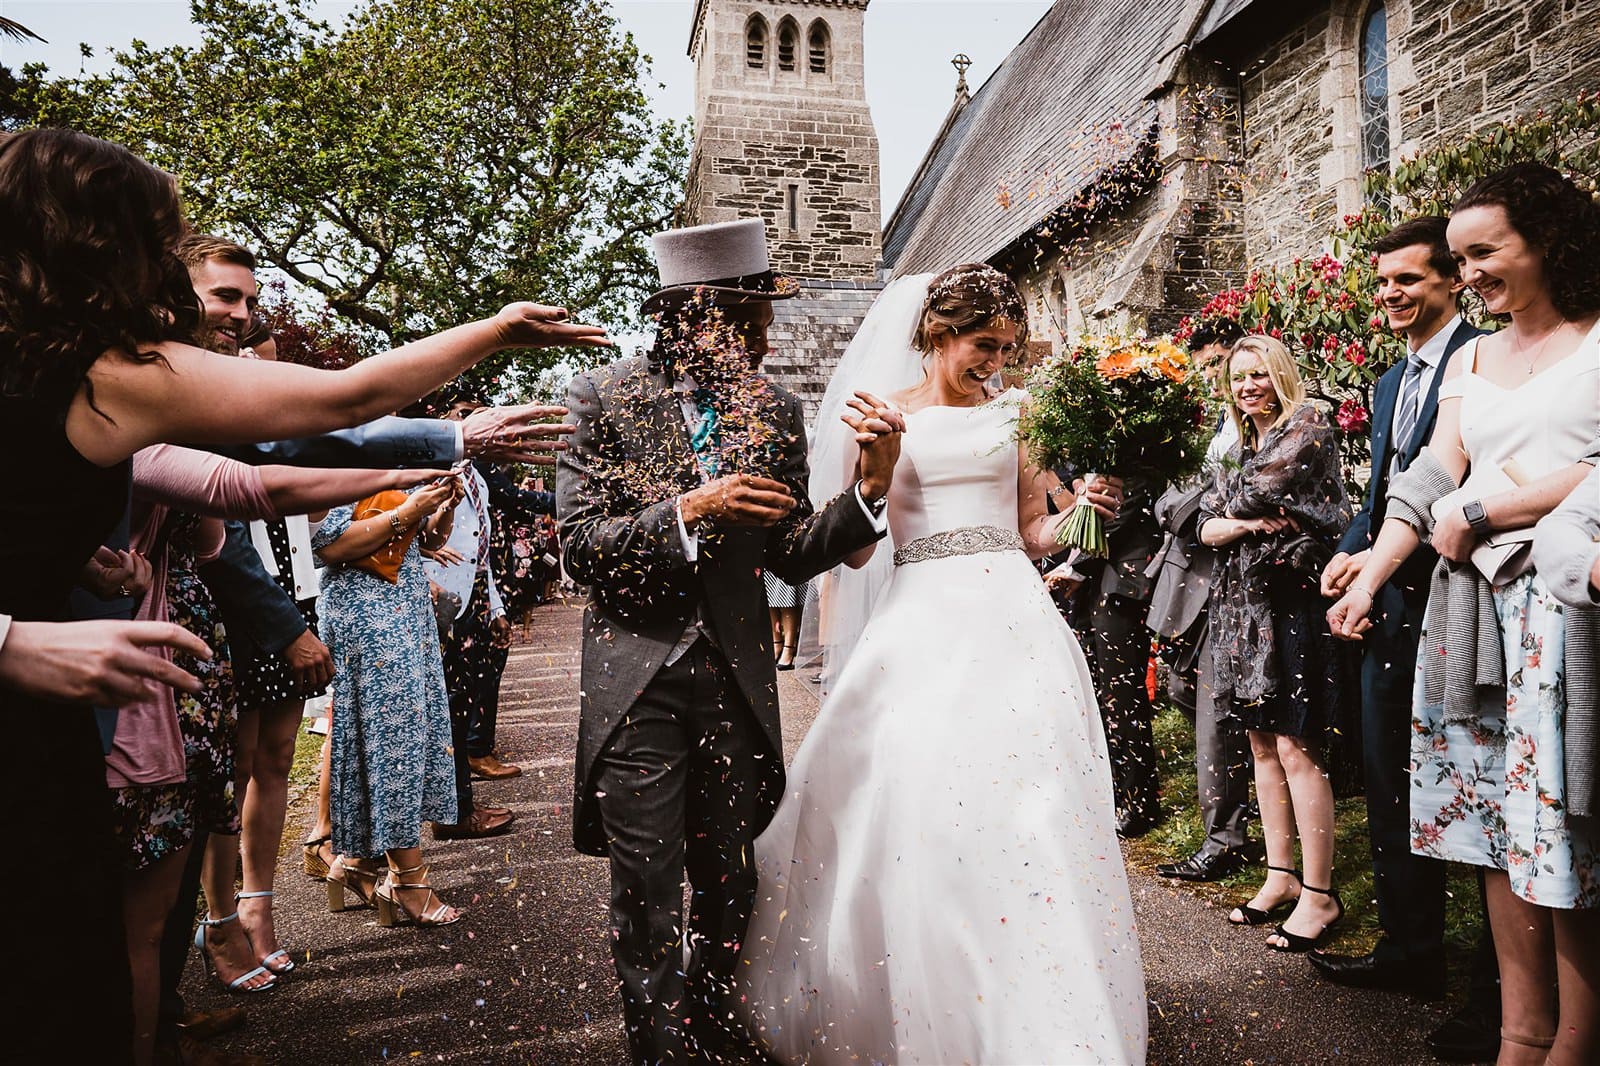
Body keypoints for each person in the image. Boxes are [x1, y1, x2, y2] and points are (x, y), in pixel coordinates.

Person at [0, 126, 605, 1060]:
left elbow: (321, 421)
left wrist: (478, 368)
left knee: (59, 974)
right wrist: (13, 639)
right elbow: (333, 410)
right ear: (84, 241)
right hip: (37, 690)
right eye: (147, 240)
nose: (160, 264)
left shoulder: (107, 377)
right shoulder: (101, 378)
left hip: (50, 733)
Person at [736, 265, 1147, 1064]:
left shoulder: (1017, 414)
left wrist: (1085, 515)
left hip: (1016, 623)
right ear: (935, 334)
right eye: (980, 345)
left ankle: (1046, 1000)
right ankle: (928, 997)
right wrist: (874, 472)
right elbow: (852, 560)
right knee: (922, 799)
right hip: (922, 621)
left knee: (1035, 802)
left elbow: (1035, 530)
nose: (994, 362)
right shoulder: (885, 418)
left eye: (1004, 347)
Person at [555, 217, 900, 1064]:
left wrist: (870, 489)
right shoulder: (602, 396)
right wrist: (688, 510)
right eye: (753, 317)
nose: (767, 335)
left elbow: (788, 549)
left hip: (735, 683)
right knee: (646, 889)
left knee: (732, 881)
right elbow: (578, 546)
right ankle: (660, 1048)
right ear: (698, 314)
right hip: (640, 683)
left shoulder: (773, 411)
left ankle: (711, 1022)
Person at [1327, 162, 1600, 1066]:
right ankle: (1519, 1034)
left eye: (1486, 251)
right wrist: (1371, 576)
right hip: (1471, 618)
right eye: (1460, 256)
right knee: (1493, 826)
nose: (1470, 272)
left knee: (1564, 820)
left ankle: (1578, 1039)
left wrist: (1489, 511)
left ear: (1548, 241)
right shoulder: (1473, 358)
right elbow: (1431, 479)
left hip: (1565, 613)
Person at [1307, 216, 1501, 1055]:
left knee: (1491, 793)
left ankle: (1498, 996)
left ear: (1452, 282)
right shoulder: (1390, 383)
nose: (1389, 294)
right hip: (1388, 608)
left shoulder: (1483, 363)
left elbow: (1454, 479)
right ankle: (1411, 951)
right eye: (1381, 281)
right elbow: (1389, 487)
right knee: (1390, 779)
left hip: (1463, 604)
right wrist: (1351, 556)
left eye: (1408, 280)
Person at [1199, 334, 1353, 952]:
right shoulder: (1240, 443)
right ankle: (1280, 876)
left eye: (1258, 374)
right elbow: (1203, 520)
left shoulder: (1308, 425)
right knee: (1261, 745)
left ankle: (1322, 894)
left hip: (1291, 601)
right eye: (1238, 378)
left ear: (1279, 374)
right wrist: (1234, 522)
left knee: (1296, 746)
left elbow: (1236, 497)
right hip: (1241, 606)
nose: (1247, 387)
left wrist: (1227, 514)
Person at [314, 476, 467, 926]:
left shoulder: (398, 458)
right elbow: (330, 545)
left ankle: (356, 859)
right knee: (392, 738)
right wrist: (410, 508)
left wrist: (441, 507)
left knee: (401, 733)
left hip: (405, 602)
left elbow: (424, 539)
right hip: (364, 609)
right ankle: (407, 876)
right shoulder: (333, 456)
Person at [1149, 320, 1256, 880]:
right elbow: (1169, 495)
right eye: (1206, 364)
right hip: (1190, 577)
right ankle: (1252, 793)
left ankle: (1225, 835)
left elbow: (1222, 498)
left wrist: (1195, 510)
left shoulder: (1259, 422)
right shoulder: (1200, 426)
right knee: (1182, 689)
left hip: (1237, 579)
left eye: (1222, 361)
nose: (1214, 374)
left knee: (1216, 710)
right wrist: (1193, 511)